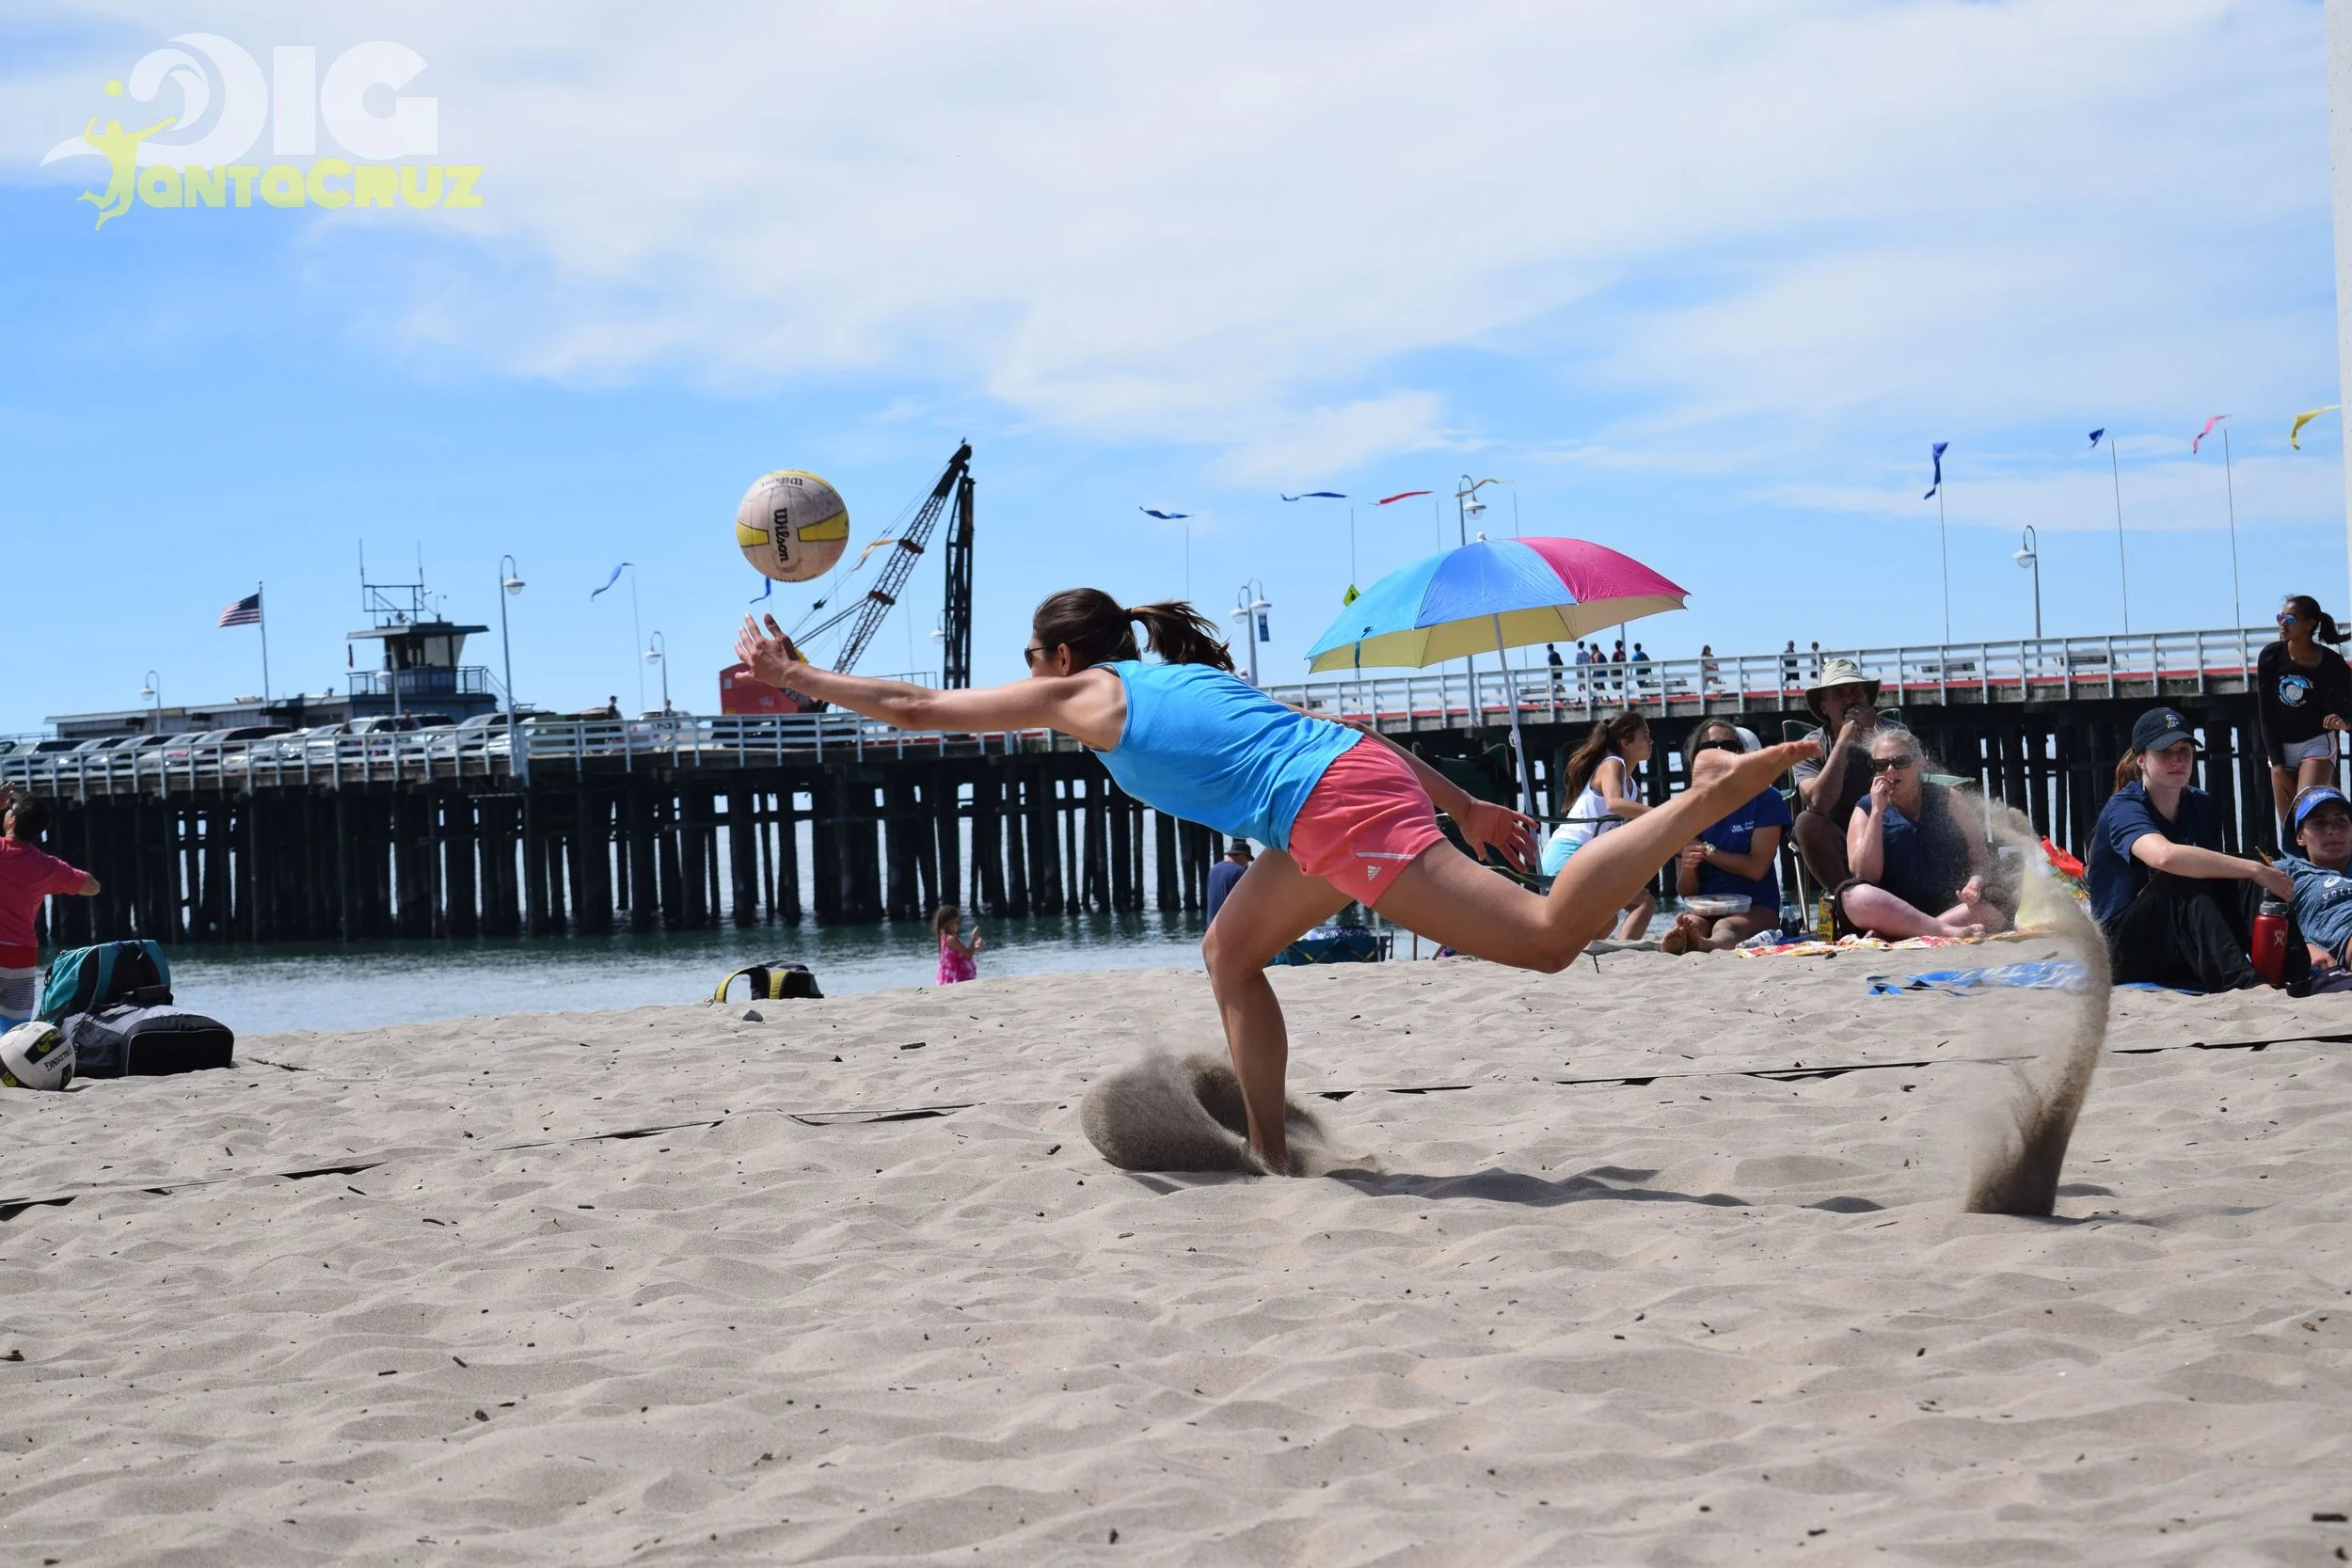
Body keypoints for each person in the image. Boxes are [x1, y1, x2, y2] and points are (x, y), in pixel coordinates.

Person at [735, 596, 1808, 1169]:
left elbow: (917, 706)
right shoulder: (1181, 673)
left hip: (1328, 813)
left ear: (1062, 656)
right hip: (1339, 789)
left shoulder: (1085, 698)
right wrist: (1466, 806)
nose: (1024, 674)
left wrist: (798, 678)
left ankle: (1702, 797)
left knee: (1541, 935)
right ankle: (1267, 1152)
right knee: (1230, 951)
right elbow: (1340, 732)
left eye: (1029, 655)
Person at [2087, 706, 2293, 991]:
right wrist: (2254, 869)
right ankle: (2245, 984)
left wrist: (2256, 873)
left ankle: (2293, 965)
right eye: (2165, 752)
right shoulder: (2124, 807)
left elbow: (2215, 880)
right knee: (2186, 876)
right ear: (2142, 760)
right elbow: (2164, 856)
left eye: (2184, 750)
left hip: (2175, 944)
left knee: (2245, 876)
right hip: (2120, 950)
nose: (2177, 760)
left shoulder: (2201, 804)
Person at [1836, 729, 2008, 939]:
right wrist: (1877, 812)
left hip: (1953, 907)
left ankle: (1903, 934)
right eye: (1881, 765)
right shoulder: (1865, 809)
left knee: (1995, 903)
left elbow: (1980, 858)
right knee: (1852, 896)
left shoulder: (1949, 800)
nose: (1890, 769)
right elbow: (1866, 875)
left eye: (1900, 761)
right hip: (1892, 910)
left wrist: (1975, 883)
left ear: (1920, 762)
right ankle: (1941, 930)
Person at [1662, 720, 1790, 953]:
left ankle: (1706, 944)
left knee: (1726, 925)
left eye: (1728, 746)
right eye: (1710, 746)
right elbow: (1687, 892)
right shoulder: (1685, 809)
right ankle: (1689, 938)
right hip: (1705, 906)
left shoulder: (1765, 798)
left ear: (1740, 754)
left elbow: (1756, 868)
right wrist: (1690, 867)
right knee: (1696, 922)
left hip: (1756, 905)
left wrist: (1705, 850)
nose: (1719, 752)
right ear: (1696, 757)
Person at [1538, 710, 1658, 942]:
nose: (1651, 741)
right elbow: (1614, 803)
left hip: (1592, 862)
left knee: (1641, 904)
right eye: (1645, 735)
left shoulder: (1634, 790)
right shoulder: (1613, 764)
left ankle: (1623, 951)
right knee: (1609, 917)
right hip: (1568, 853)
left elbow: (1633, 840)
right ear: (1625, 742)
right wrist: (1661, 813)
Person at [0, 787, 101, 1027]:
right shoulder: (46, 866)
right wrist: (54, 880)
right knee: (12, 1031)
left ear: (12, 819)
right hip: (21, 956)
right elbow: (92, 887)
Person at [2257, 594, 2352, 832]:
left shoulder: (2331, 662)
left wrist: (2346, 723)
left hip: (2316, 743)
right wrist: (2277, 764)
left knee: (2306, 816)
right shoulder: (2270, 657)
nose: (2282, 623)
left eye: (2290, 618)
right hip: (2281, 746)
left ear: (2310, 624)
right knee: (2290, 827)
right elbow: (2265, 713)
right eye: (2280, 617)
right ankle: (2293, 869)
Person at [1791, 658, 1886, 890]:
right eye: (1839, 693)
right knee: (1805, 823)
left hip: (1890, 828)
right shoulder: (1809, 746)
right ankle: (1847, 903)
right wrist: (1843, 740)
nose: (1849, 698)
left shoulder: (1893, 732)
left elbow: (1911, 784)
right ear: (1824, 707)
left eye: (1855, 691)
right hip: (1839, 836)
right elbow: (1818, 803)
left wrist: (1877, 735)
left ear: (1866, 698)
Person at [2280, 784, 2352, 975]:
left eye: (2341, 821)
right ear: (2300, 837)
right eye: (2319, 823)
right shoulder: (2285, 872)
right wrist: (2299, 947)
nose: (2332, 830)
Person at [1205, 839, 1253, 924]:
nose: (1247, 863)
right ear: (1242, 855)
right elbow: (1245, 903)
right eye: (1248, 859)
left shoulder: (1214, 869)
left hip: (1212, 926)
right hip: (1229, 926)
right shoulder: (1239, 871)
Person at [932, 904, 982, 985]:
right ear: (950, 924)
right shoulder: (952, 939)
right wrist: (974, 937)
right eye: (957, 922)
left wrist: (975, 947)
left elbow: (959, 954)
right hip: (958, 978)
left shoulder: (944, 937)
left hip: (951, 977)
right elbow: (968, 955)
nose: (958, 925)